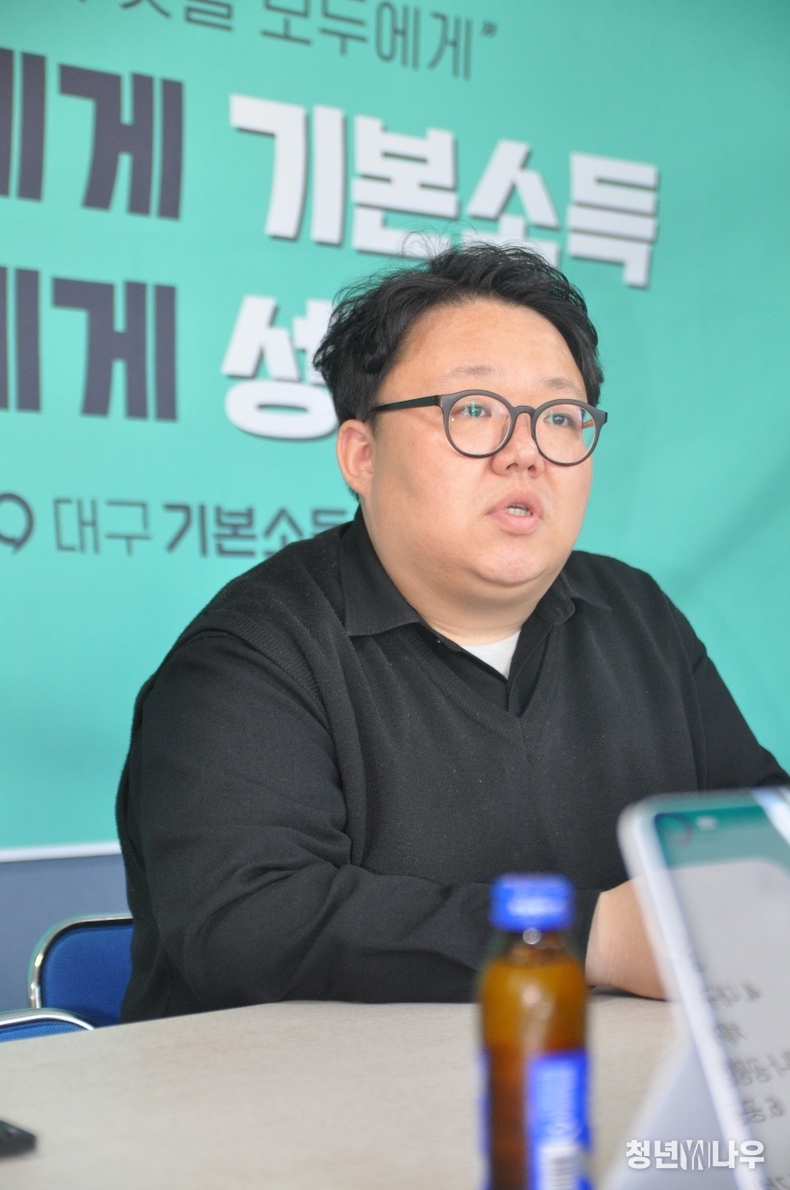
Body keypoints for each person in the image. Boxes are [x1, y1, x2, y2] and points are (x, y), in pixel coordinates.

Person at [116, 244, 787, 1021]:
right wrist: (586, 938)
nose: (525, 453)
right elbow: (251, 923)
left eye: (560, 418)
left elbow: (761, 831)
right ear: (361, 455)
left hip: (608, 1079)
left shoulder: (635, 615)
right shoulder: (251, 655)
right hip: (303, 1095)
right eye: (474, 410)